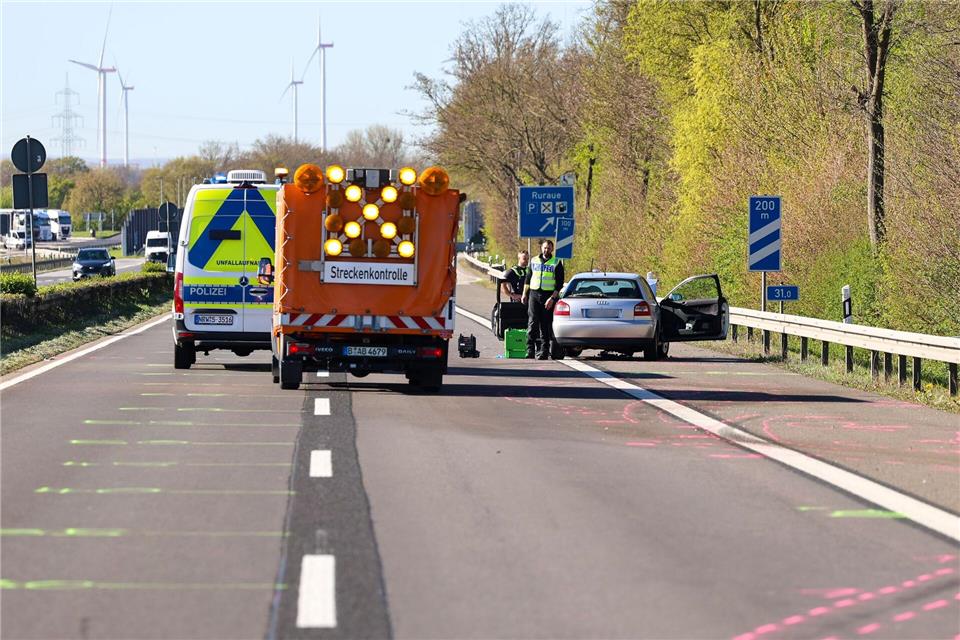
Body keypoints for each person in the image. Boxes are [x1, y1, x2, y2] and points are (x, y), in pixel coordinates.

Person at [521, 239, 564, 360]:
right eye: (545, 248)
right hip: (534, 294)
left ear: (552, 249)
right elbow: (528, 279)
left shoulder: (556, 263)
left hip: (548, 296)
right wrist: (524, 294)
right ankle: (529, 350)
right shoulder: (534, 260)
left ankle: (544, 351)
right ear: (541, 248)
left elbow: (559, 284)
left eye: (549, 248)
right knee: (532, 322)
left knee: (545, 324)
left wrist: (552, 298)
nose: (547, 250)